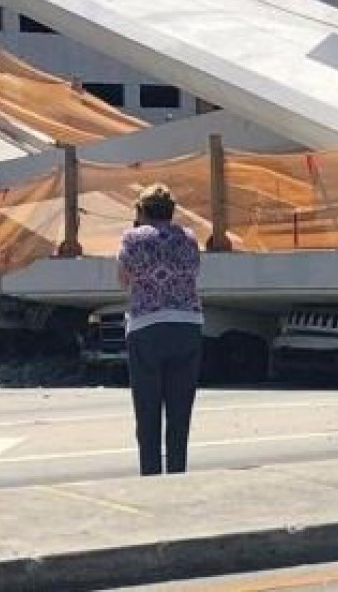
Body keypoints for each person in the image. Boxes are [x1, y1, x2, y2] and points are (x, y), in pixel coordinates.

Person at [117, 184, 204, 476]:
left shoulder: (132, 238)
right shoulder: (189, 238)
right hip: (187, 325)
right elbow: (193, 273)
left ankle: (151, 474)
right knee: (180, 411)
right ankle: (178, 471)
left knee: (147, 409)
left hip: (147, 326)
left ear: (141, 211)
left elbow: (123, 279)